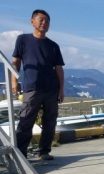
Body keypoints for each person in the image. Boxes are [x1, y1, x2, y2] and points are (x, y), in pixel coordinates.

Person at [11, 9, 65, 160]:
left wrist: (61, 90)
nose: (44, 23)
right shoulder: (22, 40)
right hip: (31, 88)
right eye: (41, 20)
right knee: (26, 120)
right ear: (32, 21)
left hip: (51, 89)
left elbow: (59, 69)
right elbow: (16, 62)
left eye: (47, 21)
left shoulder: (53, 45)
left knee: (50, 121)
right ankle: (21, 154)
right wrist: (14, 81)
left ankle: (44, 152)